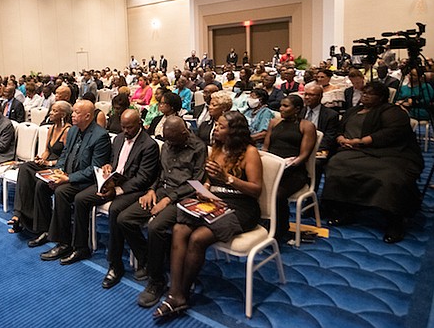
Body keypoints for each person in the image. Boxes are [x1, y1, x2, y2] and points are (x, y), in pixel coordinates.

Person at [152, 111, 263, 319]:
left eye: (221, 127)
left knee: (197, 238)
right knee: (179, 228)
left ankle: (181, 296)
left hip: (242, 207)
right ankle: (175, 293)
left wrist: (228, 178)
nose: (216, 129)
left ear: (234, 131)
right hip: (214, 201)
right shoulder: (217, 149)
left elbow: (256, 190)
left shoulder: (250, 153)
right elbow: (210, 181)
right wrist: (204, 189)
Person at [117, 117, 206, 308]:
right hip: (160, 191)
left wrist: (169, 199)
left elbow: (196, 183)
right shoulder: (167, 143)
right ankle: (149, 260)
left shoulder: (198, 148)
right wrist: (151, 190)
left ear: (184, 133)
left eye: (173, 140)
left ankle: (156, 280)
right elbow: (159, 173)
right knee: (125, 219)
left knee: (156, 227)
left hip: (182, 197)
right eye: (167, 140)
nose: (170, 144)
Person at [61, 109, 160, 277]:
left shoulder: (149, 145)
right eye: (123, 127)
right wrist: (108, 167)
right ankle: (80, 247)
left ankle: (115, 263)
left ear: (139, 124)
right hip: (113, 183)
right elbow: (113, 162)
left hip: (133, 189)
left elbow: (143, 179)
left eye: (129, 127)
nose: (125, 131)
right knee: (81, 198)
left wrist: (117, 191)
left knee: (115, 210)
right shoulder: (119, 138)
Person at [323, 81, 423, 243]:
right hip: (352, 152)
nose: (365, 96)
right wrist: (341, 138)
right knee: (337, 165)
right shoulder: (353, 111)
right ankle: (347, 209)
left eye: (370, 94)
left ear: (382, 97)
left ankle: (394, 222)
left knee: (390, 177)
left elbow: (391, 133)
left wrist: (360, 141)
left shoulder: (393, 112)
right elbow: (340, 128)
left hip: (388, 153)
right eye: (364, 93)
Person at [36, 100, 111, 261]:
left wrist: (68, 178)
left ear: (88, 116)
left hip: (86, 181)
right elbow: (64, 155)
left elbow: (94, 169)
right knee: (42, 184)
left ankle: (65, 243)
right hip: (68, 175)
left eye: (77, 112)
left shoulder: (100, 136)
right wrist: (58, 171)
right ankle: (46, 230)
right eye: (73, 112)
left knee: (62, 192)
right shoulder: (72, 131)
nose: (73, 115)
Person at [8, 101, 72, 236]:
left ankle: (22, 218)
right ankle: (19, 214)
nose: (51, 113)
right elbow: (47, 151)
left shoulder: (68, 130)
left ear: (63, 114)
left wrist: (49, 163)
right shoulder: (51, 129)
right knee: (25, 168)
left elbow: (66, 158)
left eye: (55, 111)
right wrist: (41, 159)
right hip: (47, 164)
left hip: (58, 167)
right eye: (52, 110)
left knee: (36, 181)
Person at [263, 94, 317, 243]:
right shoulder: (274, 122)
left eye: (285, 106)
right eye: (281, 105)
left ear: (297, 109)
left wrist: (286, 166)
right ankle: (262, 225)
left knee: (277, 194)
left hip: (294, 171)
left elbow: (304, 156)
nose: (281, 109)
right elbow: (266, 148)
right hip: (273, 167)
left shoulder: (306, 126)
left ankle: (282, 230)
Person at [302, 84, 340, 191]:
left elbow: (329, 138)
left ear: (320, 97)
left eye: (311, 95)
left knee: (316, 163)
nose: (307, 97)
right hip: (300, 147)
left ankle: (312, 192)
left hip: (320, 149)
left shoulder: (331, 115)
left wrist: (311, 150)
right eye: (306, 94)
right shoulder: (299, 111)